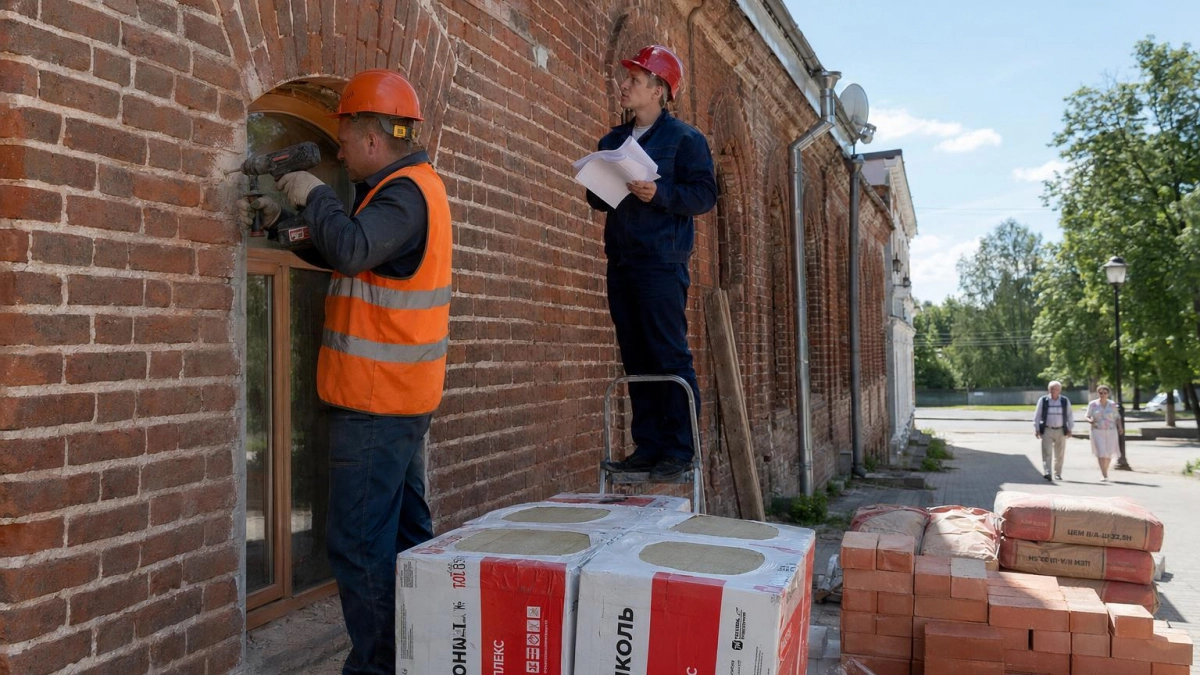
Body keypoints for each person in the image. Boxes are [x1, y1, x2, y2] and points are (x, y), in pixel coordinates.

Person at [238, 69, 452, 675]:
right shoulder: (406, 191)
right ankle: (419, 657)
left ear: (374, 138)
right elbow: (348, 249)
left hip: (377, 405)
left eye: (346, 138)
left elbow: (353, 248)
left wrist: (314, 193)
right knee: (405, 540)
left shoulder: (404, 194)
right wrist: (280, 225)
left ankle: (378, 667)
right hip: (398, 401)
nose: (340, 151)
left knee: (359, 546)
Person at [585, 45, 717, 481]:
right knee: (636, 355)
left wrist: (659, 194)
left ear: (659, 90)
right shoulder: (612, 142)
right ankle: (648, 446)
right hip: (622, 261)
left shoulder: (685, 140)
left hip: (661, 262)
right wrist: (598, 180)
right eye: (627, 79)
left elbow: (704, 195)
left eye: (635, 80)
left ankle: (679, 448)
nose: (624, 85)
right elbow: (598, 199)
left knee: (667, 353)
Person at [1033, 380, 1074, 482]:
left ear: (1059, 390)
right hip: (1047, 429)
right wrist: (1037, 428)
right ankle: (1048, 472)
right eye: (1051, 389)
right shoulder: (1043, 400)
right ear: (1048, 389)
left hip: (1061, 429)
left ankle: (1058, 473)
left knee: (1059, 453)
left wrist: (1070, 428)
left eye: (1055, 389)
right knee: (1047, 452)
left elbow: (1069, 415)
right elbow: (1037, 415)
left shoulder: (1064, 401)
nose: (1053, 391)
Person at [1086, 384, 1122, 482]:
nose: (1103, 395)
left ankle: (1105, 470)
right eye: (1100, 393)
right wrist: (1090, 420)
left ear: (1108, 394)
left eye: (1105, 393)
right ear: (1098, 393)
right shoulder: (1093, 404)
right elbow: (1087, 415)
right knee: (1101, 451)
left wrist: (1120, 427)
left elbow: (1117, 417)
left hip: (1111, 430)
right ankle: (1104, 474)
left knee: (1108, 452)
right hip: (1097, 430)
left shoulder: (1112, 404)